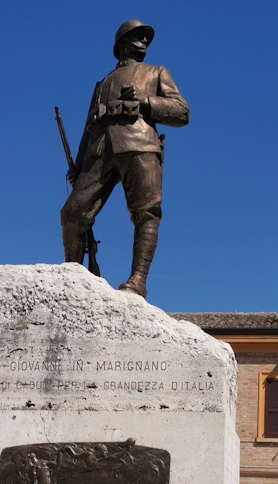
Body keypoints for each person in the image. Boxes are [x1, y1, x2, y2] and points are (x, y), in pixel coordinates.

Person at [60, 19, 190, 298]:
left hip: (140, 143)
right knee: (72, 213)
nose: (144, 42)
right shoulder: (102, 84)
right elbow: (88, 128)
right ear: (121, 43)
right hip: (100, 150)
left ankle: (138, 280)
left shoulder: (156, 72)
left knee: (146, 212)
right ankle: (73, 278)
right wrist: (79, 166)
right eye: (137, 36)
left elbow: (182, 112)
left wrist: (145, 101)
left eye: (146, 38)